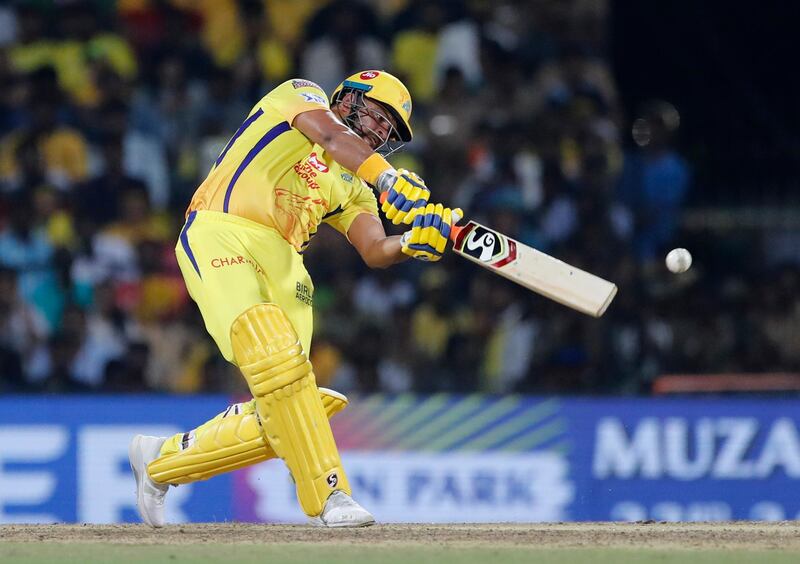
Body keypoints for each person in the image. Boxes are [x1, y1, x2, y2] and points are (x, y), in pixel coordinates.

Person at [128, 70, 460, 528]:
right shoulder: (301, 96)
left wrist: (413, 243)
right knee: (278, 364)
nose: (382, 132)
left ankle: (159, 462)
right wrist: (387, 179)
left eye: (390, 131)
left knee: (285, 404)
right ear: (350, 97)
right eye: (380, 116)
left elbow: (374, 249)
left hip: (287, 267)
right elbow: (329, 134)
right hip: (223, 233)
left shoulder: (354, 185)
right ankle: (331, 496)